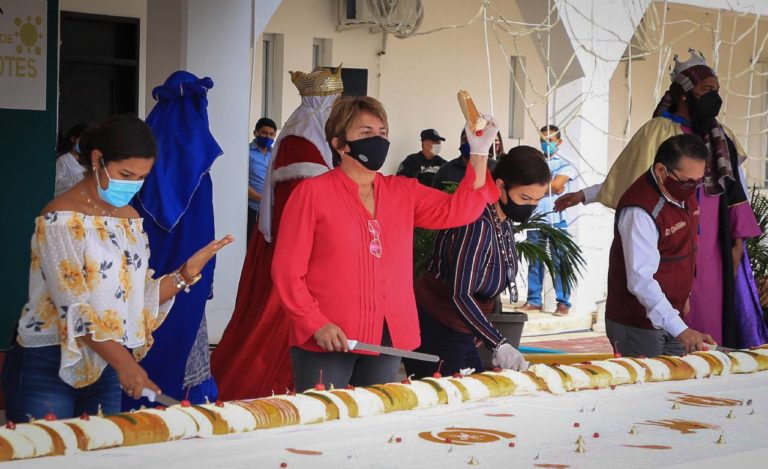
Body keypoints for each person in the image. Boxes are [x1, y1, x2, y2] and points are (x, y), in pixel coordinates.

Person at [1, 115, 232, 421]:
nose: (132, 185)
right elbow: (74, 308)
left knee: (101, 456)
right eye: (125, 174)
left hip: (107, 365)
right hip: (49, 363)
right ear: (97, 160)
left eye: (140, 177)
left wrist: (184, 275)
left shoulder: (130, 219)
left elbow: (137, 301)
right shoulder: (59, 218)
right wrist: (126, 364)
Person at [271, 96, 500, 391]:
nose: (377, 140)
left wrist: (479, 153)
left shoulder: (401, 191)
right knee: (326, 425)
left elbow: (462, 210)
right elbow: (286, 270)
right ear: (339, 144)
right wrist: (314, 322)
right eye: (365, 133)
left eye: (381, 133)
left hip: (388, 333)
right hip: (329, 336)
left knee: (376, 425)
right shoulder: (312, 193)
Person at [555, 49, 767, 348]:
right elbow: (629, 177)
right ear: (684, 93)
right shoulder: (659, 132)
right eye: (707, 90)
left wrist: (737, 240)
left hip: (712, 249)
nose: (714, 97)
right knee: (667, 309)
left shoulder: (723, 136)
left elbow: (737, 189)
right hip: (669, 240)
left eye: (717, 91)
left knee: (713, 326)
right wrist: (585, 195)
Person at [211, 67, 343, 399]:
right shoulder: (303, 142)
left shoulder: (312, 137)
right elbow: (299, 208)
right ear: (321, 103)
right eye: (335, 101)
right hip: (295, 252)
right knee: (273, 327)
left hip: (297, 248)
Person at [404, 147, 550, 378]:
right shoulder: (478, 223)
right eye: (525, 198)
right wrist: (497, 342)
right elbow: (460, 293)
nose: (530, 206)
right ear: (501, 186)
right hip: (438, 327)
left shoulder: (503, 219)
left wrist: (480, 328)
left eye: (537, 200)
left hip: (462, 327)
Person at [127, 71, 224, 409]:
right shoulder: (197, 168)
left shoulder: (137, 163)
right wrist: (201, 281)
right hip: (185, 277)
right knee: (181, 353)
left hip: (137, 277)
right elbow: (202, 233)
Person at [606, 134, 716, 357]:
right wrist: (680, 328)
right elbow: (641, 280)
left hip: (670, 315)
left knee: (678, 386)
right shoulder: (640, 210)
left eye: (699, 181)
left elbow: (684, 249)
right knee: (647, 389)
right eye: (687, 181)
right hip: (637, 324)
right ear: (660, 170)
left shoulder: (685, 194)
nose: (693, 188)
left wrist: (682, 297)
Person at [519, 125, 577, 316]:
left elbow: (559, 186)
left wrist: (535, 186)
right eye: (543, 140)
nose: (546, 144)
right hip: (536, 219)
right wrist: (547, 185)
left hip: (556, 221)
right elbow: (527, 185)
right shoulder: (536, 164)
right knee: (534, 260)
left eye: (550, 141)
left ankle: (563, 302)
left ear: (559, 142)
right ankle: (534, 300)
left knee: (560, 262)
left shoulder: (565, 163)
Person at [432, 129, 502, 191]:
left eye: (473, 140)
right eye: (465, 140)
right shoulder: (446, 170)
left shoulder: (495, 168)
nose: (468, 144)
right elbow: (434, 198)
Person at [248, 117, 277, 240]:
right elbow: (240, 184)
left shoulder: (276, 153)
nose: (267, 137)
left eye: (271, 134)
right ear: (255, 133)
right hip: (252, 209)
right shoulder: (245, 152)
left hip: (272, 209)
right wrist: (263, 199)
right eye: (264, 133)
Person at [55, 123, 94, 197]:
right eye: (82, 141)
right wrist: (83, 175)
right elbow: (57, 184)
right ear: (73, 139)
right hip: (65, 202)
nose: (85, 144)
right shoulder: (63, 159)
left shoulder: (87, 158)